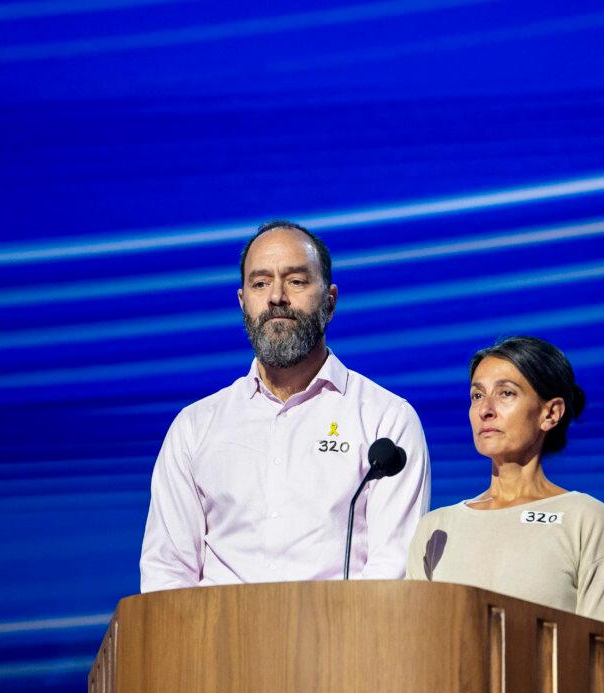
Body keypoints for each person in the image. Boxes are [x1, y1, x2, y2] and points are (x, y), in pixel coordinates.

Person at [140, 220, 431, 591]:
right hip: (216, 645)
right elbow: (167, 571)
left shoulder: (386, 421)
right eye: (260, 283)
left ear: (330, 300)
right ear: (243, 302)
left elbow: (393, 570)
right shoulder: (195, 427)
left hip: (340, 643)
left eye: (296, 281)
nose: (277, 297)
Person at [406, 336, 604, 625]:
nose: (486, 409)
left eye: (506, 393)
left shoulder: (584, 518)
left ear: (550, 413)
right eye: (477, 395)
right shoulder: (436, 528)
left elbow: (603, 645)